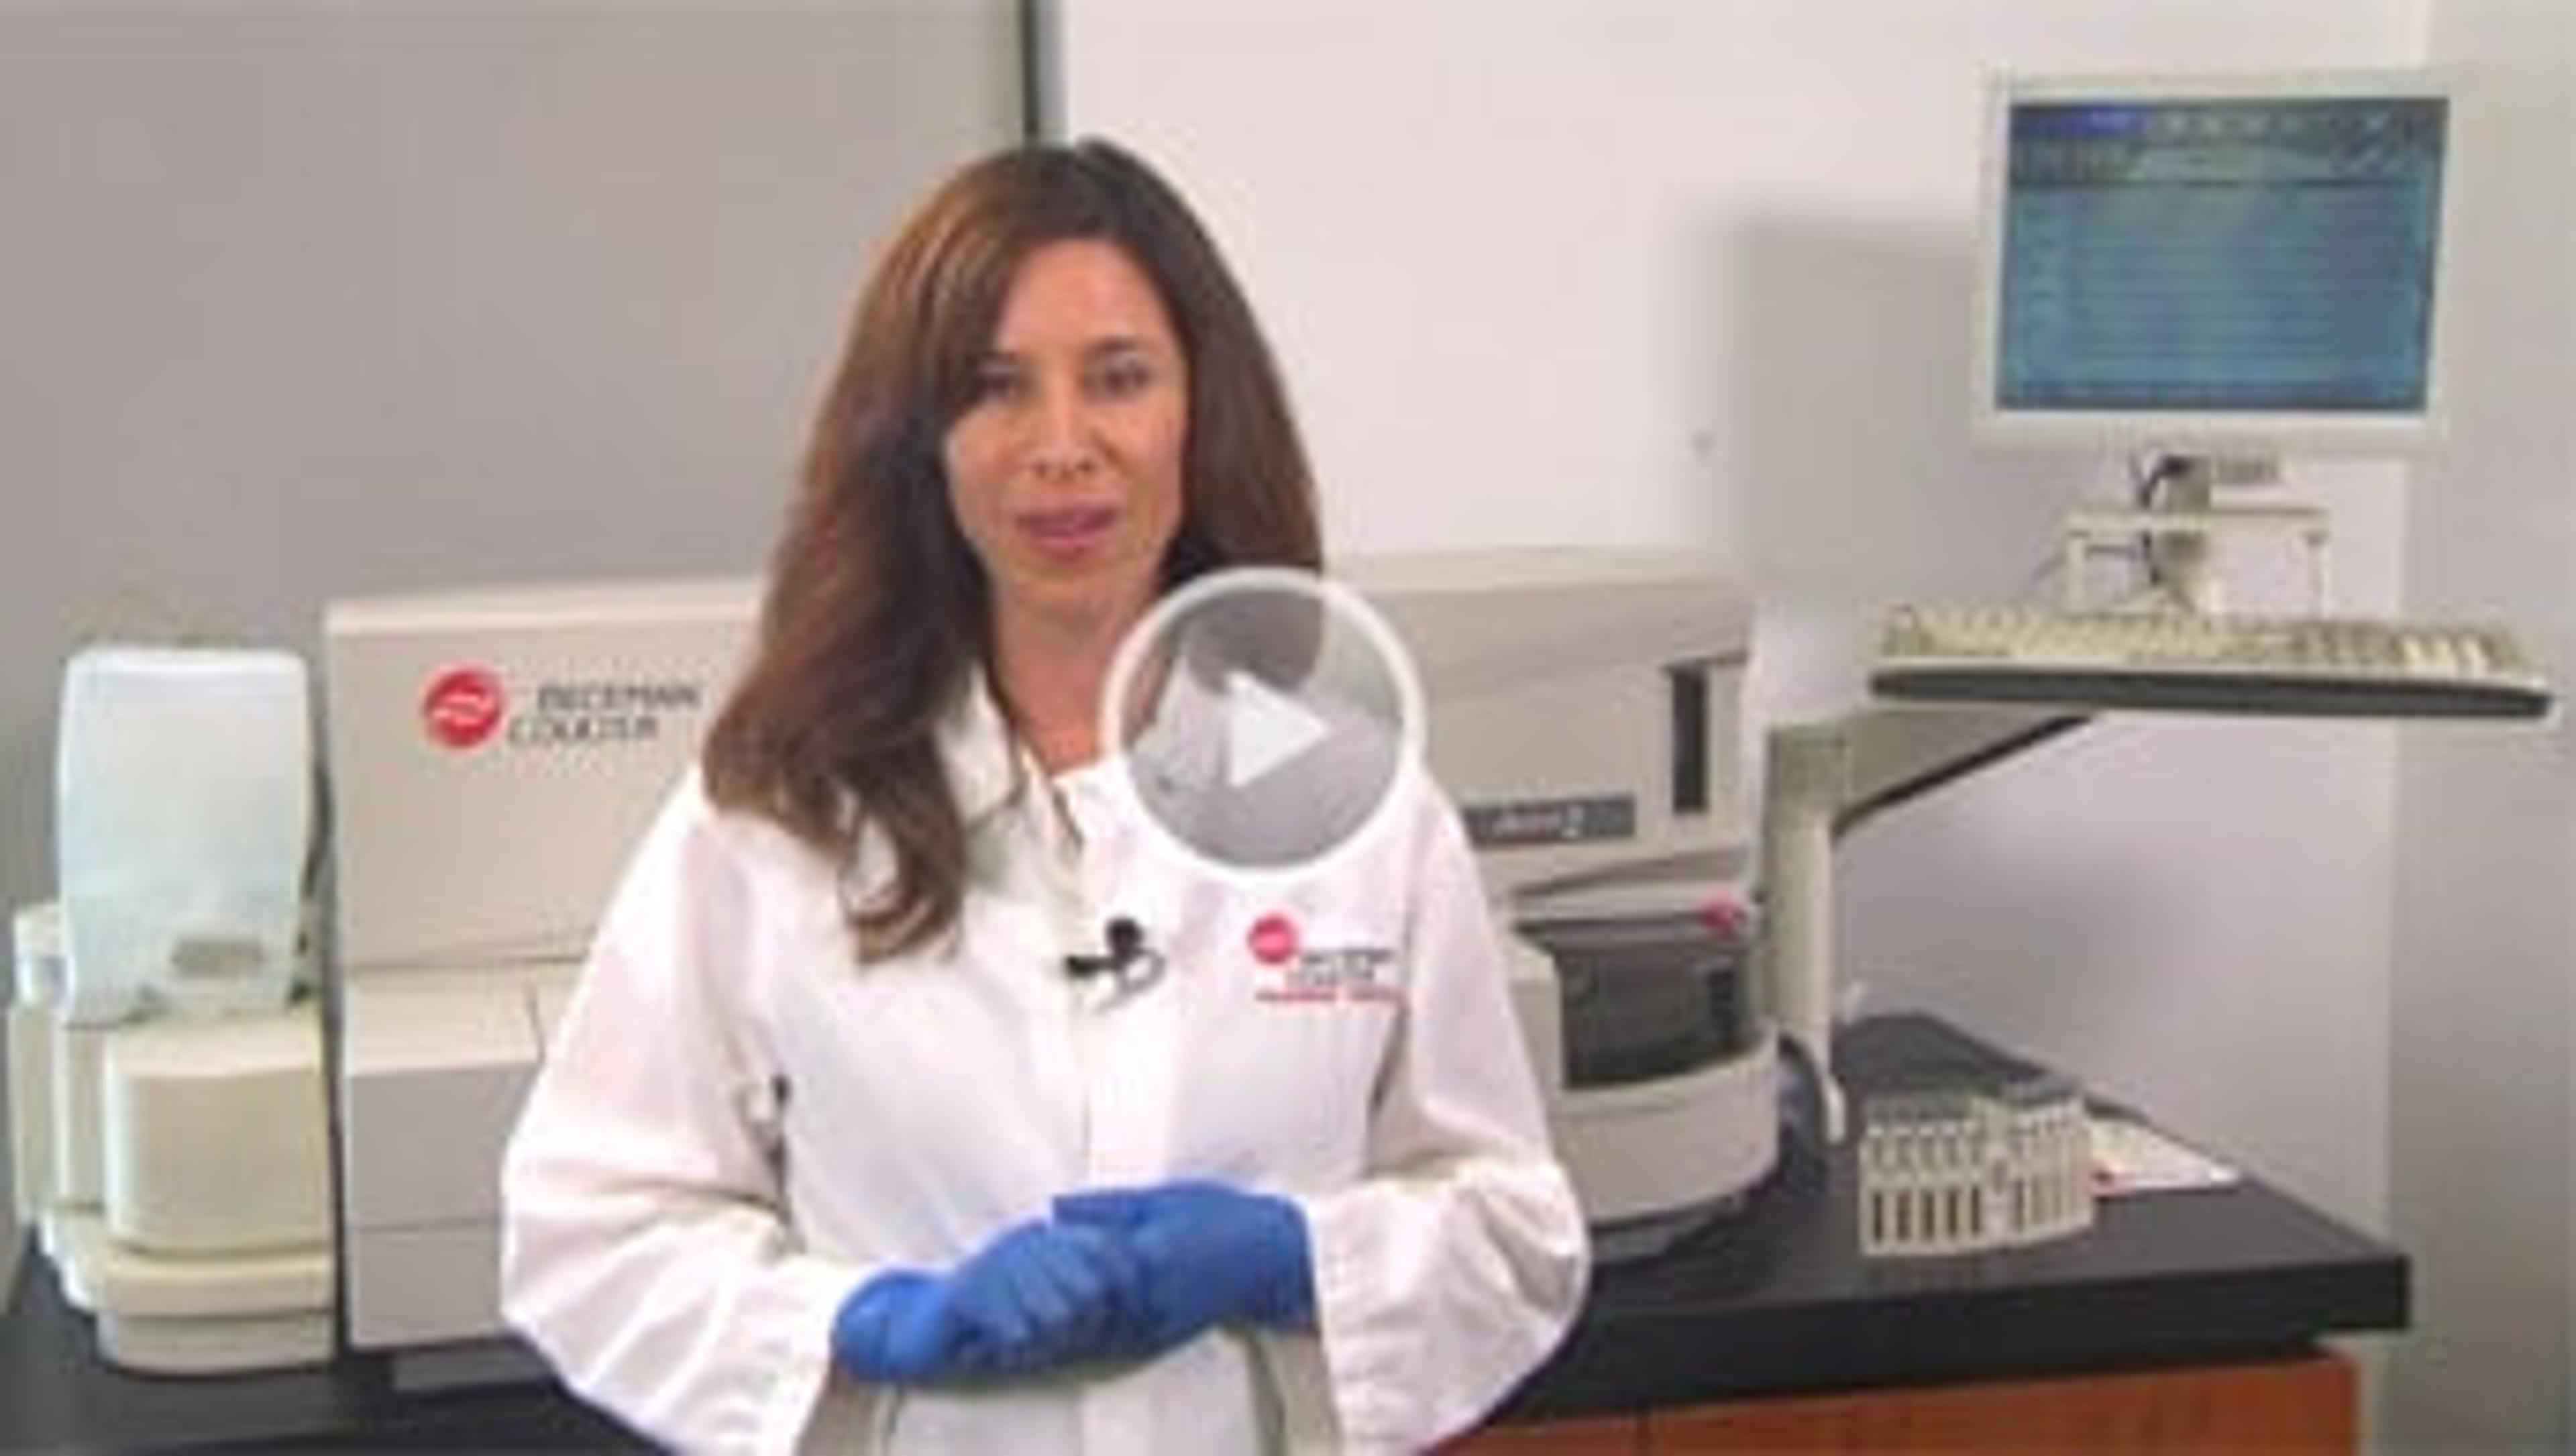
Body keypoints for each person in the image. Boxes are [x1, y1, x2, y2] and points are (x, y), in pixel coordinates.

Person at [498, 138, 1588, 1454]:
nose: (1062, 447)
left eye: (1119, 378)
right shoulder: (782, 809)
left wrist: (1303, 1255)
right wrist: (864, 1320)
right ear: (920, 442)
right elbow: (588, 1228)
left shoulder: (1355, 806)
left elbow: (1512, 1226)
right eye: (994, 387)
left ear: (1202, 410)